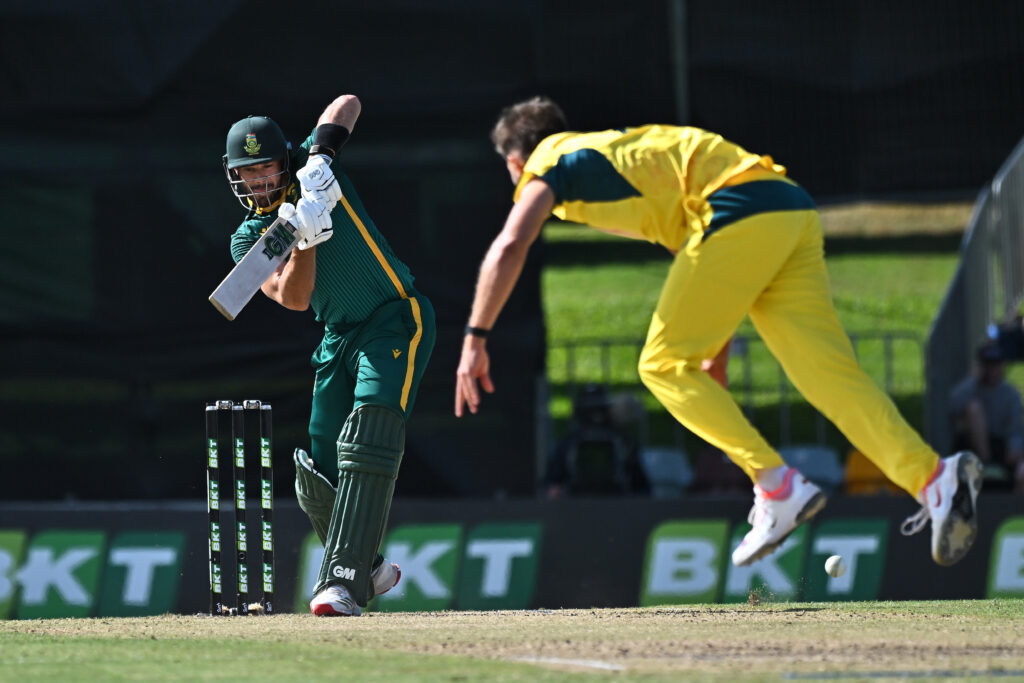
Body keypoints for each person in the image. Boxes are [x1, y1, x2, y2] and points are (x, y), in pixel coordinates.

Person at [454, 96, 982, 568]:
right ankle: (935, 479)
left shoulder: (549, 161)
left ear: (514, 162)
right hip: (786, 207)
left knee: (659, 366)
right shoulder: (620, 159)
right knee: (830, 379)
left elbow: (508, 247)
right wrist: (717, 357)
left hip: (736, 211)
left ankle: (777, 487)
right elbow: (701, 261)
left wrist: (475, 339)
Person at [222, 95, 435, 615]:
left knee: (371, 428)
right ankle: (372, 565)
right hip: (337, 337)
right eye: (246, 174)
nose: (257, 182)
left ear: (285, 160)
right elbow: (294, 299)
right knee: (315, 469)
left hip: (394, 316)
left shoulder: (314, 175)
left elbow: (348, 104)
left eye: (265, 168)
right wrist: (303, 235)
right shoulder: (251, 240)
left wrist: (321, 159)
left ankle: (341, 582)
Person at [949, 342, 1024, 492]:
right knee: (974, 409)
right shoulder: (971, 389)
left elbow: (1016, 428)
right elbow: (954, 405)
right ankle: (986, 464)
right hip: (973, 450)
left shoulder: (1010, 395)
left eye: (996, 365)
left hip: (1003, 447)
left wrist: (1014, 448)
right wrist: (973, 379)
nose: (993, 370)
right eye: (989, 365)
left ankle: (1014, 508)